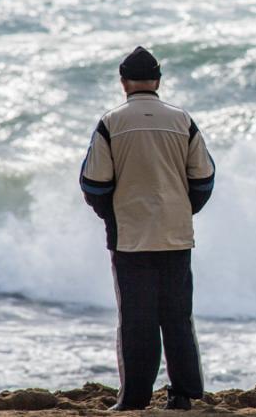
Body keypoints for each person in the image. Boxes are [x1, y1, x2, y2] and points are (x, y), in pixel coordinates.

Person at [79, 46, 215, 411]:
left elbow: (94, 184)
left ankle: (134, 398)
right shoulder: (182, 120)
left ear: (123, 82)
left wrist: (113, 214)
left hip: (130, 236)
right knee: (177, 317)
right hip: (175, 232)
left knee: (136, 319)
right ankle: (184, 394)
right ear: (157, 81)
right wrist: (183, 210)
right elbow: (203, 179)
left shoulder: (111, 122)